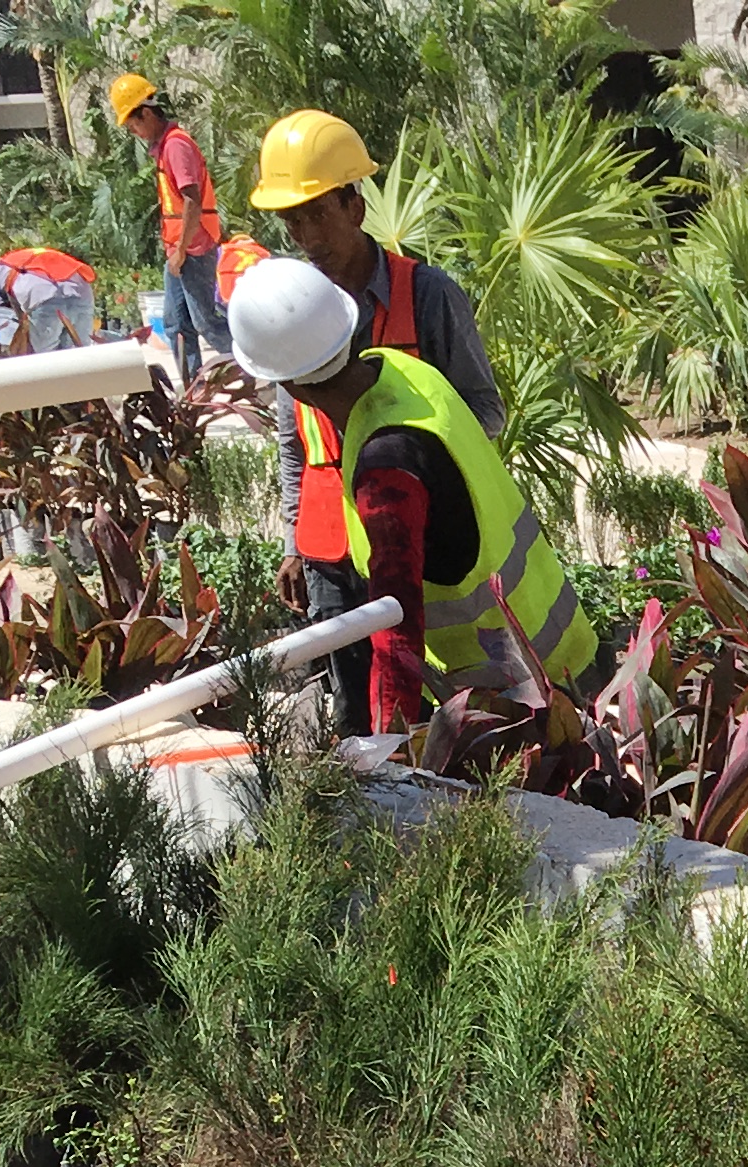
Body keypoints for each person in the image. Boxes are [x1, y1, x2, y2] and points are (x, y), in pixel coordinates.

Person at [228, 256, 595, 738]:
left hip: (518, 701)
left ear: (289, 385)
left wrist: (390, 749)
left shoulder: (387, 470)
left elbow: (394, 633)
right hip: (564, 657)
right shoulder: (401, 371)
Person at [245, 109, 505, 739]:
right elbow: (293, 439)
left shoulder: (429, 295)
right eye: (292, 221)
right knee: (354, 718)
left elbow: (484, 412)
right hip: (332, 546)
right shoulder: (290, 308)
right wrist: (293, 542)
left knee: (429, 715)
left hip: (417, 542)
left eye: (317, 214)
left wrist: (418, 462)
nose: (306, 236)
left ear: (355, 206)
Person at [113, 74, 228, 381]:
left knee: (206, 323)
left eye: (133, 125)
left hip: (193, 247)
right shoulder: (166, 147)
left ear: (146, 113)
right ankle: (193, 387)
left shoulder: (176, 146)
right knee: (176, 324)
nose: (134, 132)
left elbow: (192, 200)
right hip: (180, 249)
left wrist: (181, 251)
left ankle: (258, 362)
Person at [0, 239, 100, 353]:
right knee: (80, 358)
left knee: (45, 361)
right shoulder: (22, 259)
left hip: (45, 297)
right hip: (82, 292)